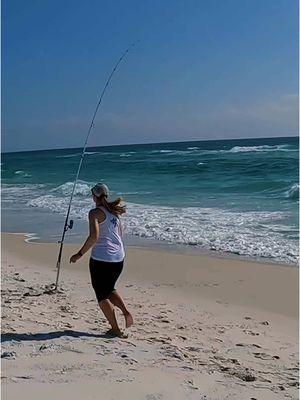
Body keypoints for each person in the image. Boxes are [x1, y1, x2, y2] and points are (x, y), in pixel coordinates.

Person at [70, 183, 133, 338]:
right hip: (119, 258)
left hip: (101, 259)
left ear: (94, 196)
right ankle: (125, 312)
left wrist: (79, 254)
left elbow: (94, 237)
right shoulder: (114, 213)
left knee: (101, 295)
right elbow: (120, 235)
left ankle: (115, 329)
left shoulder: (94, 213)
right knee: (109, 288)